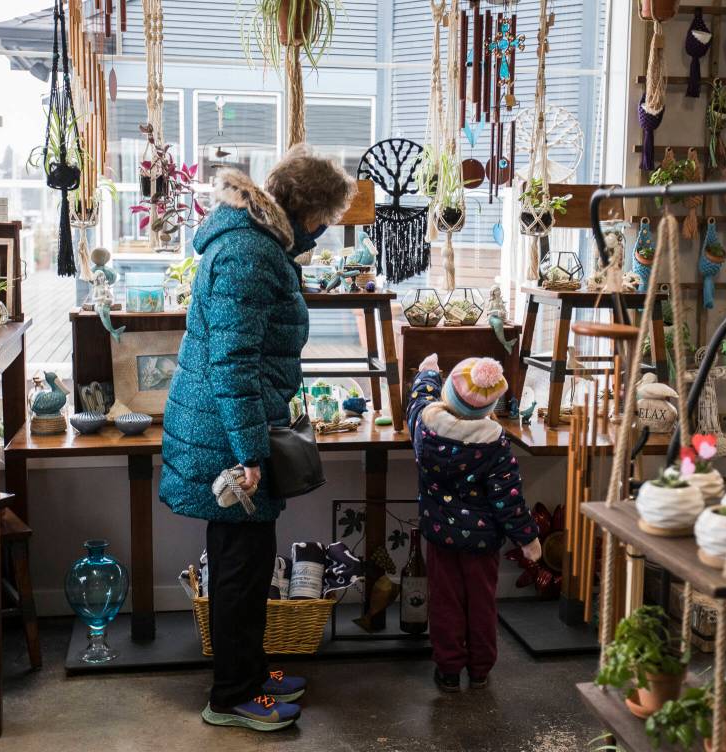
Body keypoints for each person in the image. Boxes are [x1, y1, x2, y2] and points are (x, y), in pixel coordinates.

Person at [160, 145, 357, 731]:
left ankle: (249, 668)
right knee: (239, 571)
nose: (322, 233)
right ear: (305, 210)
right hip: (227, 439)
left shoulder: (257, 243)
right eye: (323, 221)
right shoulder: (249, 253)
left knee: (245, 562)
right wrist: (249, 454)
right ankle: (232, 695)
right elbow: (235, 362)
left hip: (233, 429)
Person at [406, 354, 543, 692]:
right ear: (488, 407)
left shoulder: (426, 428)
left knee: (445, 602)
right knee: (481, 603)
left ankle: (449, 670)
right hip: (482, 544)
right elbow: (508, 499)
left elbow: (419, 401)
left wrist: (427, 373)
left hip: (440, 537)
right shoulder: (495, 444)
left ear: (447, 398)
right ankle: (480, 670)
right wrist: (528, 538)